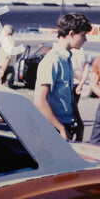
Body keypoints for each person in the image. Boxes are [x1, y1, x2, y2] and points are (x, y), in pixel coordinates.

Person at [34, 13, 92, 141]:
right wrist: (61, 128)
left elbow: (68, 96)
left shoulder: (67, 58)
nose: (85, 39)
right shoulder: (53, 60)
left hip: (65, 126)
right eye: (83, 35)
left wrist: (79, 123)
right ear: (71, 34)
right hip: (52, 129)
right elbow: (39, 101)